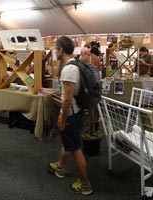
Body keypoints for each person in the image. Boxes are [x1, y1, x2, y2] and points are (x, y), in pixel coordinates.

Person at [48, 36, 93, 195]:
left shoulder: (69, 69)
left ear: (61, 50)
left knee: (75, 149)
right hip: (77, 111)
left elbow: (67, 100)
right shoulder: (75, 65)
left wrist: (62, 118)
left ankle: (85, 184)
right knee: (69, 142)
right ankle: (60, 167)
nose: (54, 51)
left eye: (55, 48)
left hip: (71, 114)